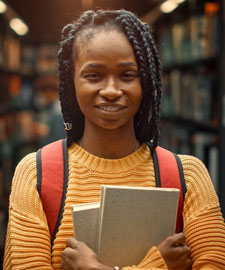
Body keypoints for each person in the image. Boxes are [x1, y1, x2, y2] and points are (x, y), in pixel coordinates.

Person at [3, 9, 225, 270]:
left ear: (146, 82)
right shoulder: (35, 174)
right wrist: (156, 265)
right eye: (94, 75)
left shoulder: (188, 176)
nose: (110, 91)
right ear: (71, 82)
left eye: (127, 75)